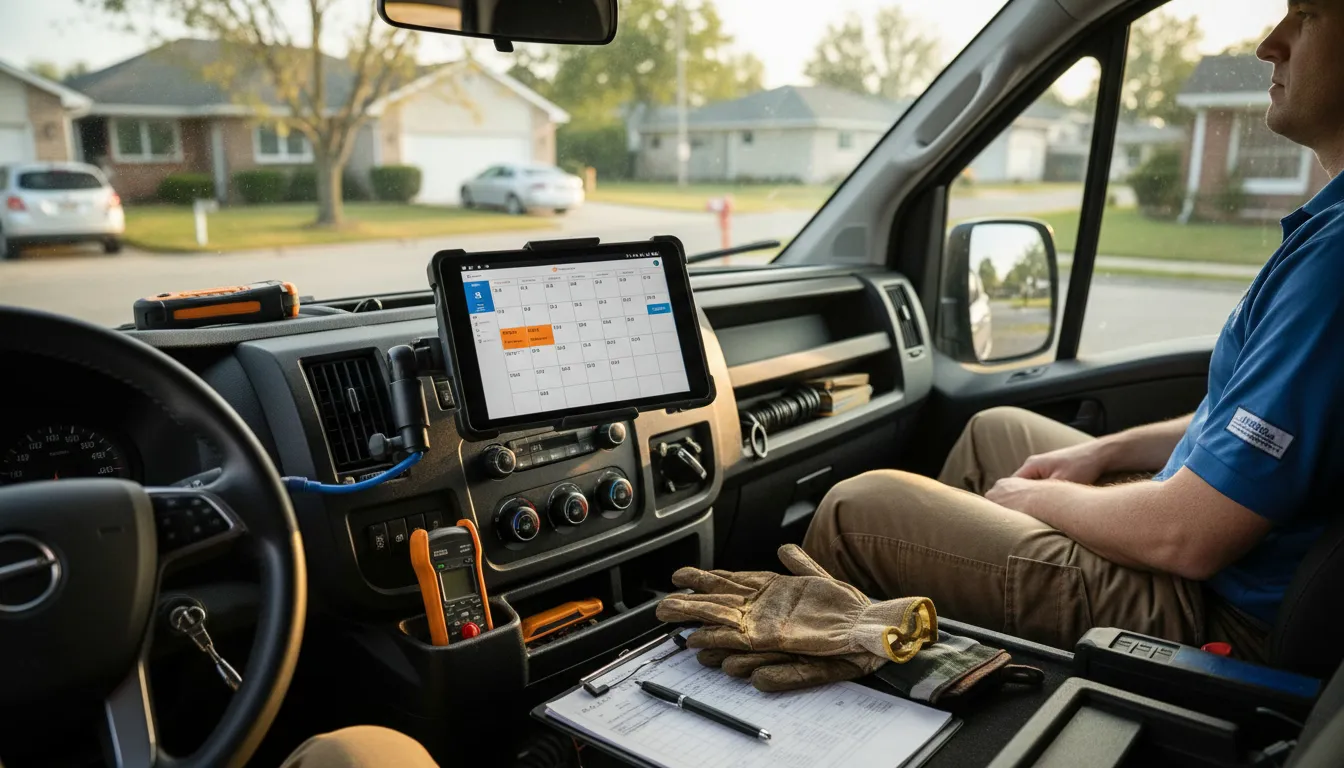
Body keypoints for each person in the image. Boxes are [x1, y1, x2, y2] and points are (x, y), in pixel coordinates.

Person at [804, 2, 1344, 665]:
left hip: (1221, 613)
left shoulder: (1337, 259)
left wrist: (1044, 498)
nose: (1270, 44)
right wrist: (1101, 455)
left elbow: (1188, 537)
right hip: (1230, 556)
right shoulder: (1328, 233)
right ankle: (960, 657)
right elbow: (1245, 424)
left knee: (857, 508)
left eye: (1308, 15)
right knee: (995, 431)